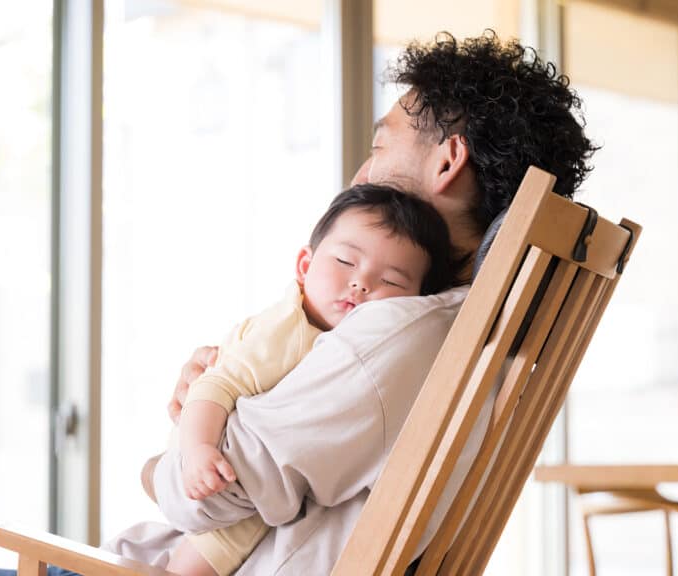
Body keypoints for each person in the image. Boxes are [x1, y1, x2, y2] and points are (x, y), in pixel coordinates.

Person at [0, 30, 595, 576]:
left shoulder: (397, 334)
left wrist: (178, 440)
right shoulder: (479, 333)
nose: (361, 176)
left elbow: (196, 500)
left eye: (380, 145)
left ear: (447, 160)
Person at [162, 184, 458, 576]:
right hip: (214, 478)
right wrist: (197, 449)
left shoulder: (379, 339)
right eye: (345, 262)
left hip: (249, 510)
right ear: (305, 264)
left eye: (391, 281)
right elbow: (215, 385)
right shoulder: (286, 328)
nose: (361, 283)